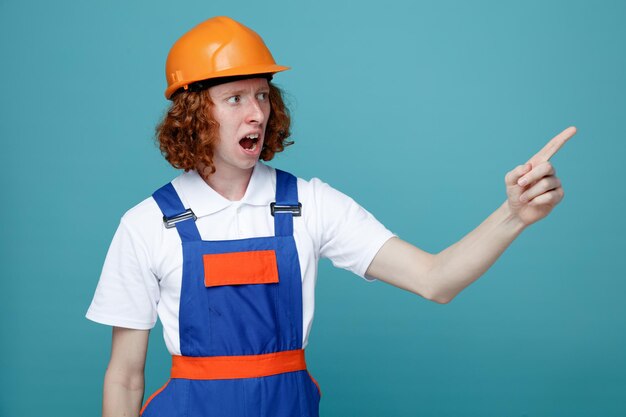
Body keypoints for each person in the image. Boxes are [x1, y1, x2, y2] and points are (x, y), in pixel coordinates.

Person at [86, 16, 575, 417]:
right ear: (194, 113)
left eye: (261, 95)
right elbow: (125, 376)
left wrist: (514, 215)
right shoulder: (147, 223)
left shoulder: (309, 204)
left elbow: (435, 280)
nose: (256, 112)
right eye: (235, 98)